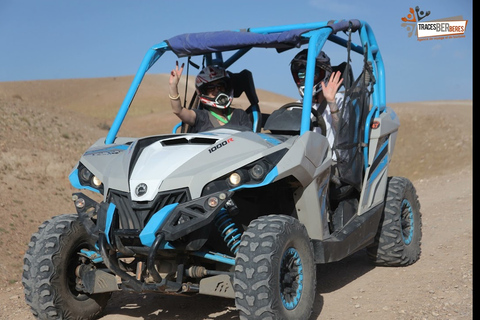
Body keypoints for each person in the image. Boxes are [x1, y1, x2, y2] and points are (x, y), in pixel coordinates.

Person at [169, 62, 252, 133]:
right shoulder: (201, 116)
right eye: (211, 88)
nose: (217, 90)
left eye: (220, 86)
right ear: (204, 92)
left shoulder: (240, 114)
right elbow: (178, 110)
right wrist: (173, 86)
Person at [290, 49, 345, 149]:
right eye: (301, 74)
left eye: (313, 73)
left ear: (325, 74)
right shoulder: (296, 106)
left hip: (330, 161)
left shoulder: (338, 100)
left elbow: (343, 134)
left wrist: (331, 102)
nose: (307, 79)